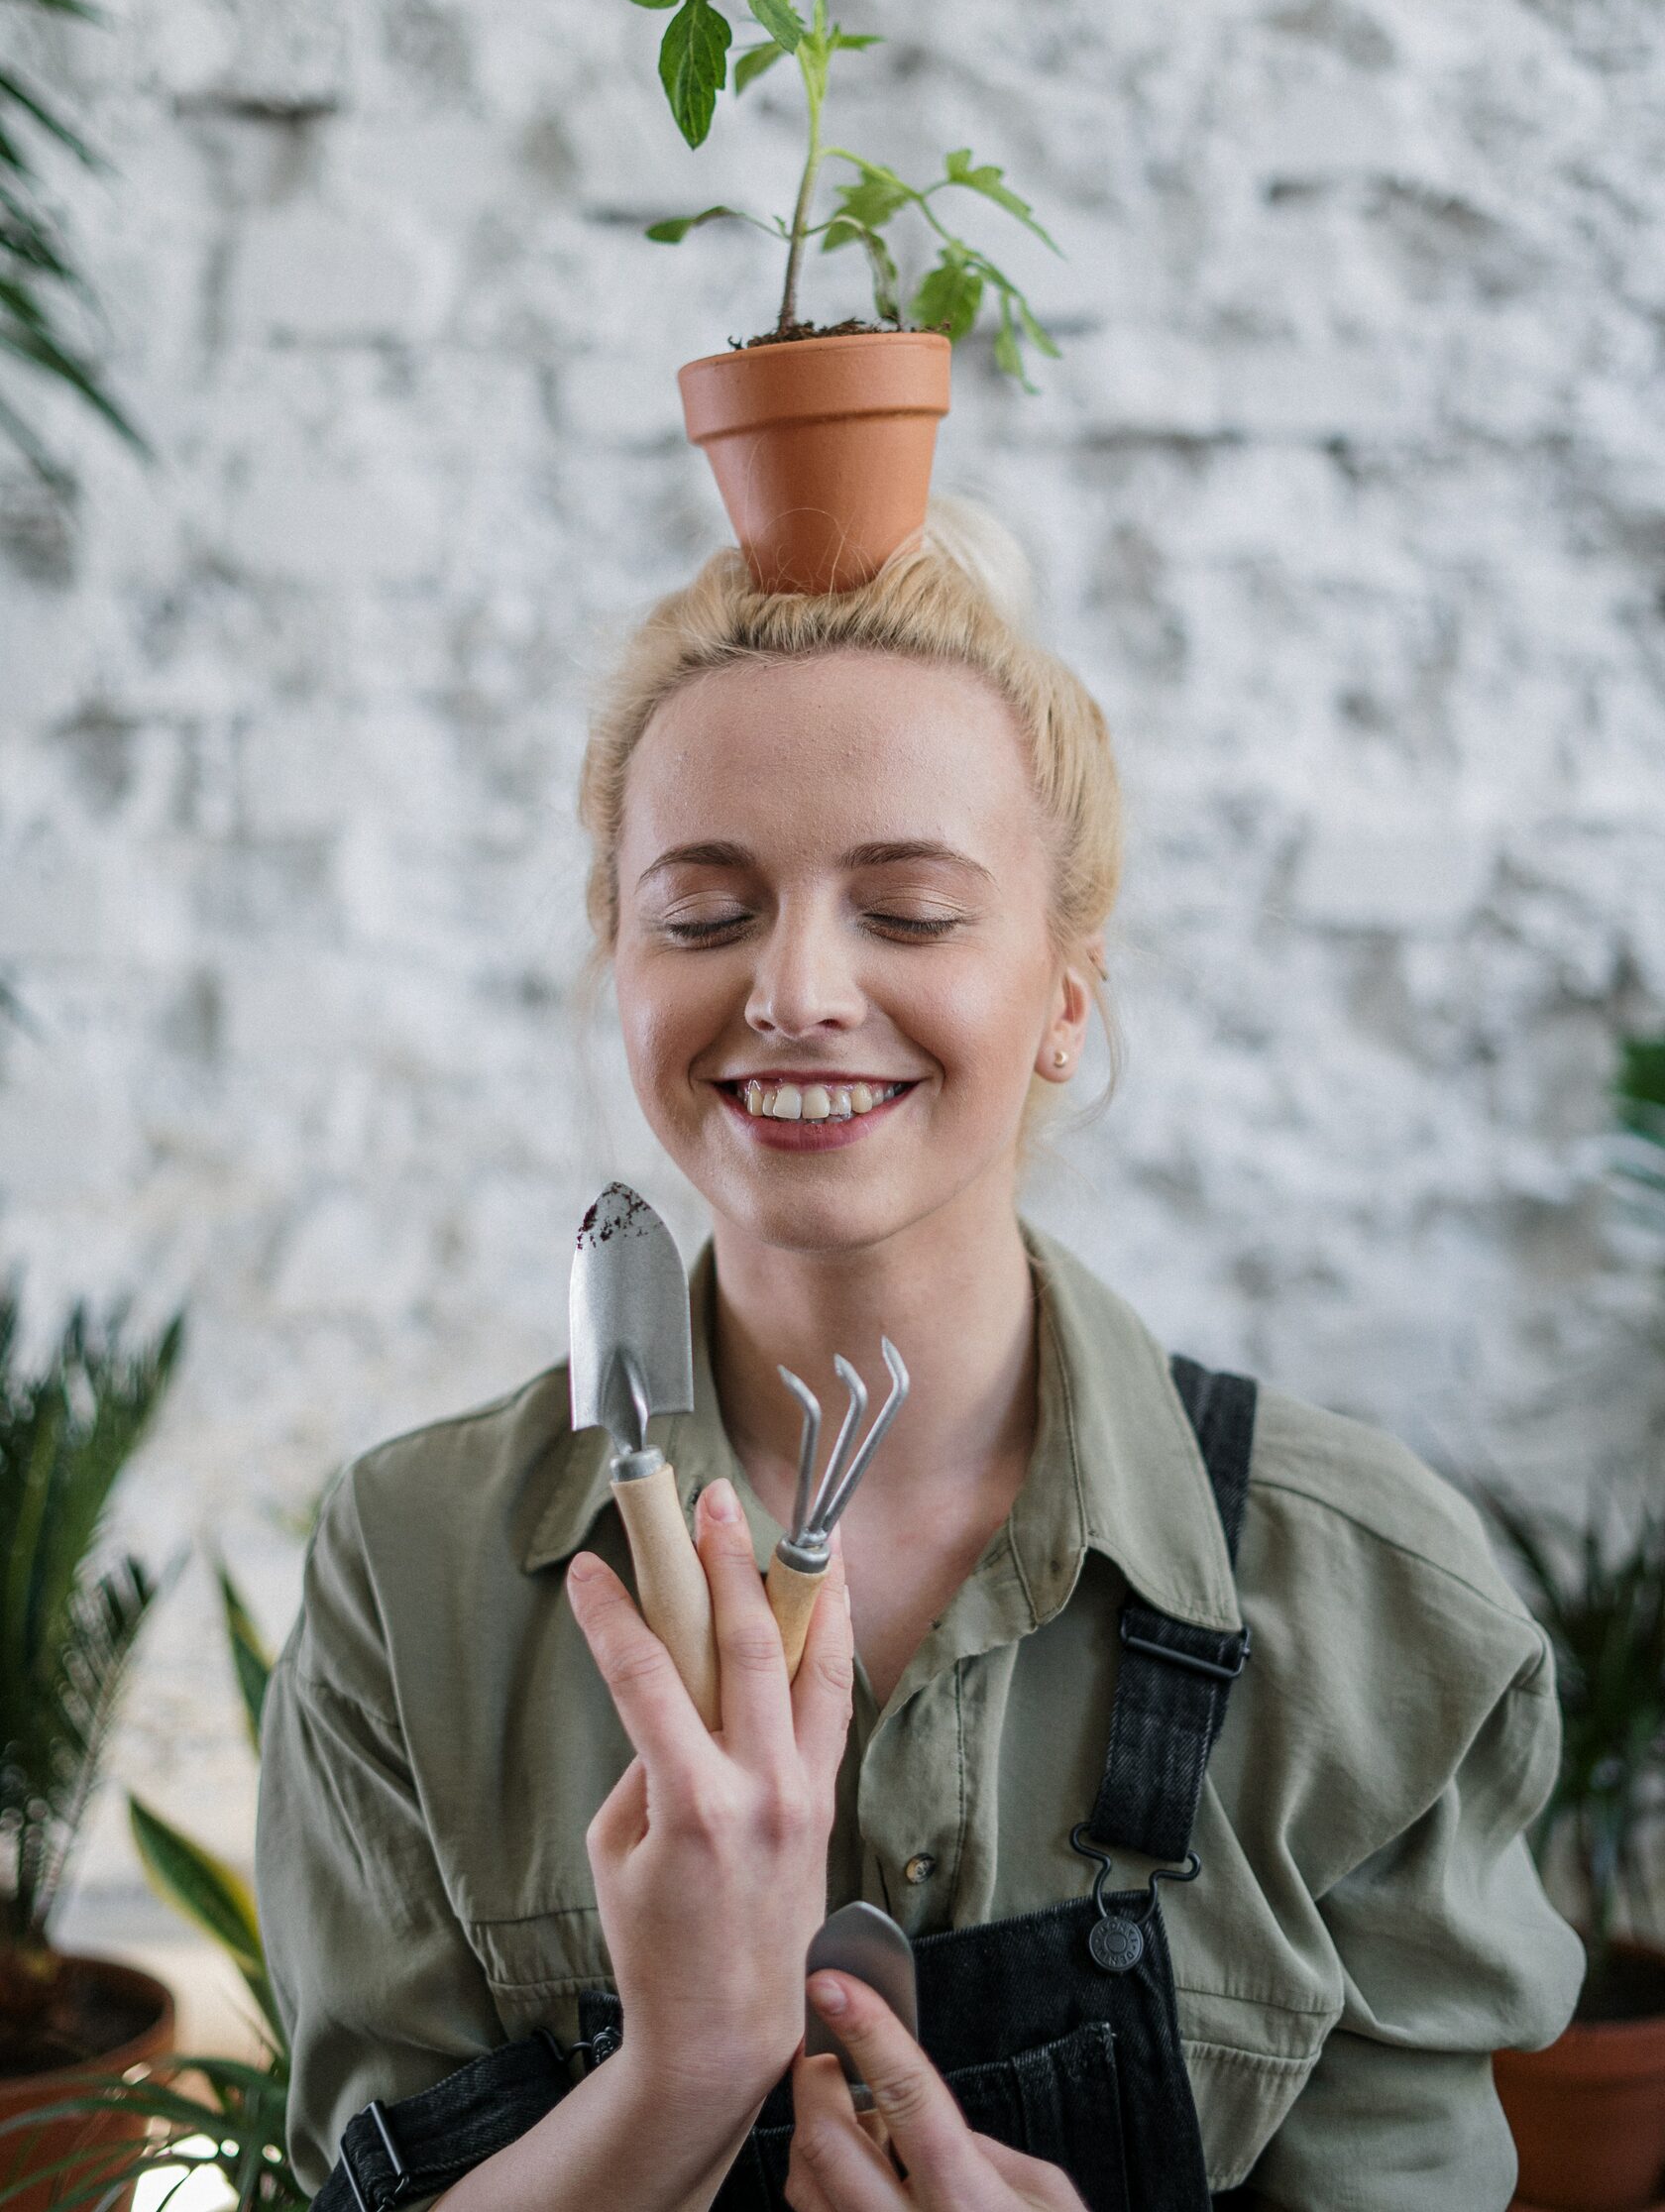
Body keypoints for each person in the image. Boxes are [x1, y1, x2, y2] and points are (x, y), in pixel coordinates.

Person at [255, 500, 1585, 2212]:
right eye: (703, 913)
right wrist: (681, 2074)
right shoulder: (408, 1574)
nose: (795, 989)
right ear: (620, 965)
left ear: (1065, 997)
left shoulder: (1374, 1604)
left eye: (908, 911)